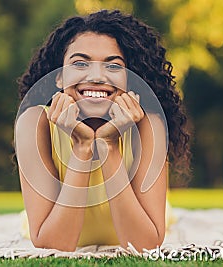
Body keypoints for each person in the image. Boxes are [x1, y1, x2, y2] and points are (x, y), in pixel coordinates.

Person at [14, 10, 190, 252]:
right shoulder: (34, 123)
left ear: (131, 79)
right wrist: (83, 146)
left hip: (148, 219)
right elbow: (52, 244)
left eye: (113, 66)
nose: (96, 76)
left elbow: (145, 245)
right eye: (80, 63)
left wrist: (109, 146)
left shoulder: (148, 125)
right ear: (58, 76)